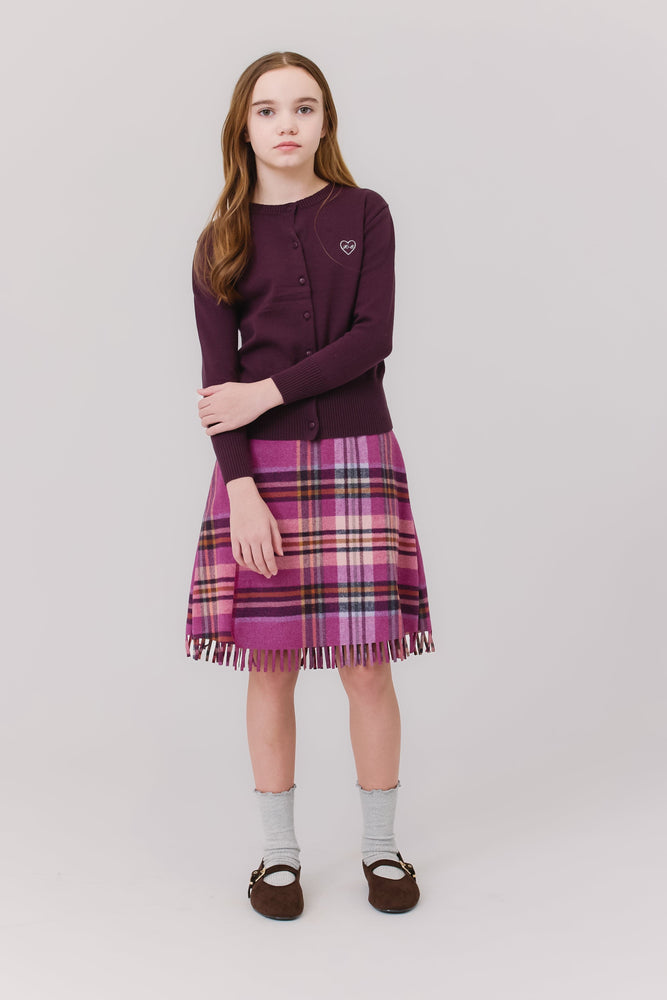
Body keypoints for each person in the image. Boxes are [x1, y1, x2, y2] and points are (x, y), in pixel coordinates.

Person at [185, 51, 436, 920]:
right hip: (260, 475)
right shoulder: (219, 241)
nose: (285, 123)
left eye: (303, 107)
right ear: (243, 127)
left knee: (367, 666)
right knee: (271, 667)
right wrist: (240, 491)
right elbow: (217, 389)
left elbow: (372, 337)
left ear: (326, 122)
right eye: (266, 110)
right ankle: (280, 857)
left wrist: (266, 391)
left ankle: (381, 848)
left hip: (360, 459)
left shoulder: (363, 213)